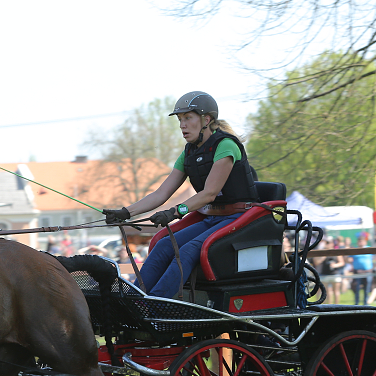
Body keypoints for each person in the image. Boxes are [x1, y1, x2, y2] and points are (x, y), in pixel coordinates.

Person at [103, 92, 260, 298]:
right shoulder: (188, 153)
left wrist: (175, 212)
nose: (182, 125)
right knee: (165, 244)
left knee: (186, 250)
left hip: (240, 218)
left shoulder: (226, 145)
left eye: (188, 118)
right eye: (180, 120)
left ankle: (156, 306)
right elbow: (161, 193)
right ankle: (132, 299)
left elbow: (209, 193)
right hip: (213, 218)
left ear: (206, 120)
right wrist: (126, 212)